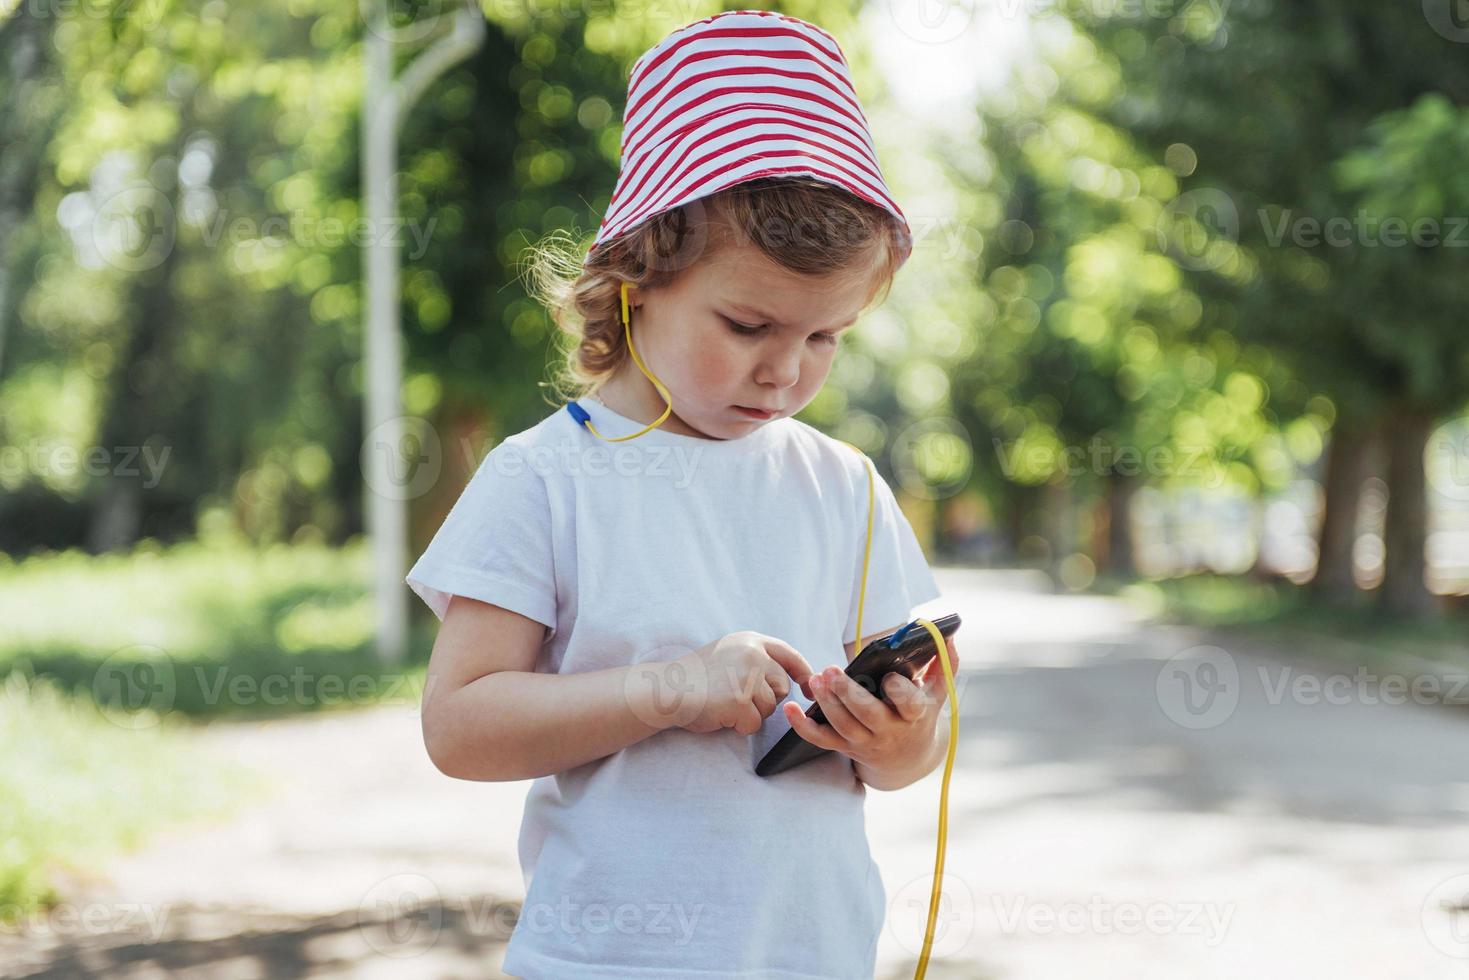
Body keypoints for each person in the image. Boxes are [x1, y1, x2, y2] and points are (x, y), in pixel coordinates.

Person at [407, 10, 957, 978]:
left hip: (811, 957)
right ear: (637, 275)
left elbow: (906, 759)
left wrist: (899, 734)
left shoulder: (844, 487)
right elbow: (459, 724)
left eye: (825, 336)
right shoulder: (544, 477)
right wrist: (666, 688)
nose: (786, 370)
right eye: (748, 323)